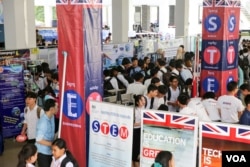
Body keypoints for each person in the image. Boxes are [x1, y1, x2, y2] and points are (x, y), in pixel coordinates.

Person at [36, 99, 58, 167]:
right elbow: (39, 140)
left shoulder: (52, 117)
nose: (58, 109)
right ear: (51, 109)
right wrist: (53, 144)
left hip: (50, 151)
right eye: (57, 107)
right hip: (42, 152)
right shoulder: (43, 123)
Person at [132, 95, 146, 167]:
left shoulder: (145, 109)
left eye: (144, 100)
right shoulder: (134, 111)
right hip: (136, 131)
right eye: (141, 100)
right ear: (137, 102)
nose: (144, 102)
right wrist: (141, 123)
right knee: (136, 150)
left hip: (142, 130)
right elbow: (131, 124)